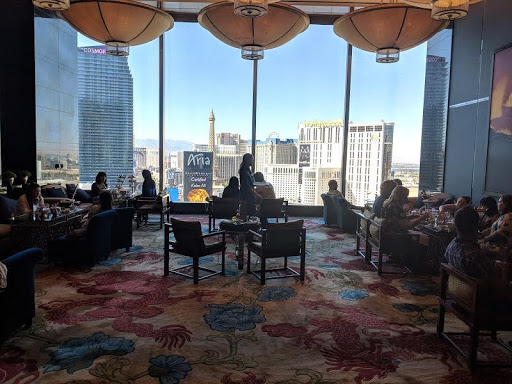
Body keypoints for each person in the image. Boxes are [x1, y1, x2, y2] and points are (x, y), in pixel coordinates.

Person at [381, 185, 430, 265]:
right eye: (405, 196)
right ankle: (418, 263)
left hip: (387, 233)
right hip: (396, 237)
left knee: (421, 234)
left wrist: (413, 216)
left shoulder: (388, 204)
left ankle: (401, 257)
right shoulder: (397, 209)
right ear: (401, 196)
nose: (406, 199)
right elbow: (408, 226)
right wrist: (422, 218)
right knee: (425, 237)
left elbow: (397, 220)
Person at [445, 206, 498, 279]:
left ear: (456, 226)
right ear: (476, 226)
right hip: (481, 289)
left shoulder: (450, 246)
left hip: (457, 287)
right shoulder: (475, 257)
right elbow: (496, 280)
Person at [481, 194, 512, 261]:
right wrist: (481, 233)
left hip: (501, 249)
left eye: (500, 202)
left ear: (506, 204)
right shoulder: (503, 216)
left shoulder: (508, 216)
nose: (498, 204)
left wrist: (485, 239)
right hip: (495, 245)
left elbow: (500, 232)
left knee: (477, 248)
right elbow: (493, 228)